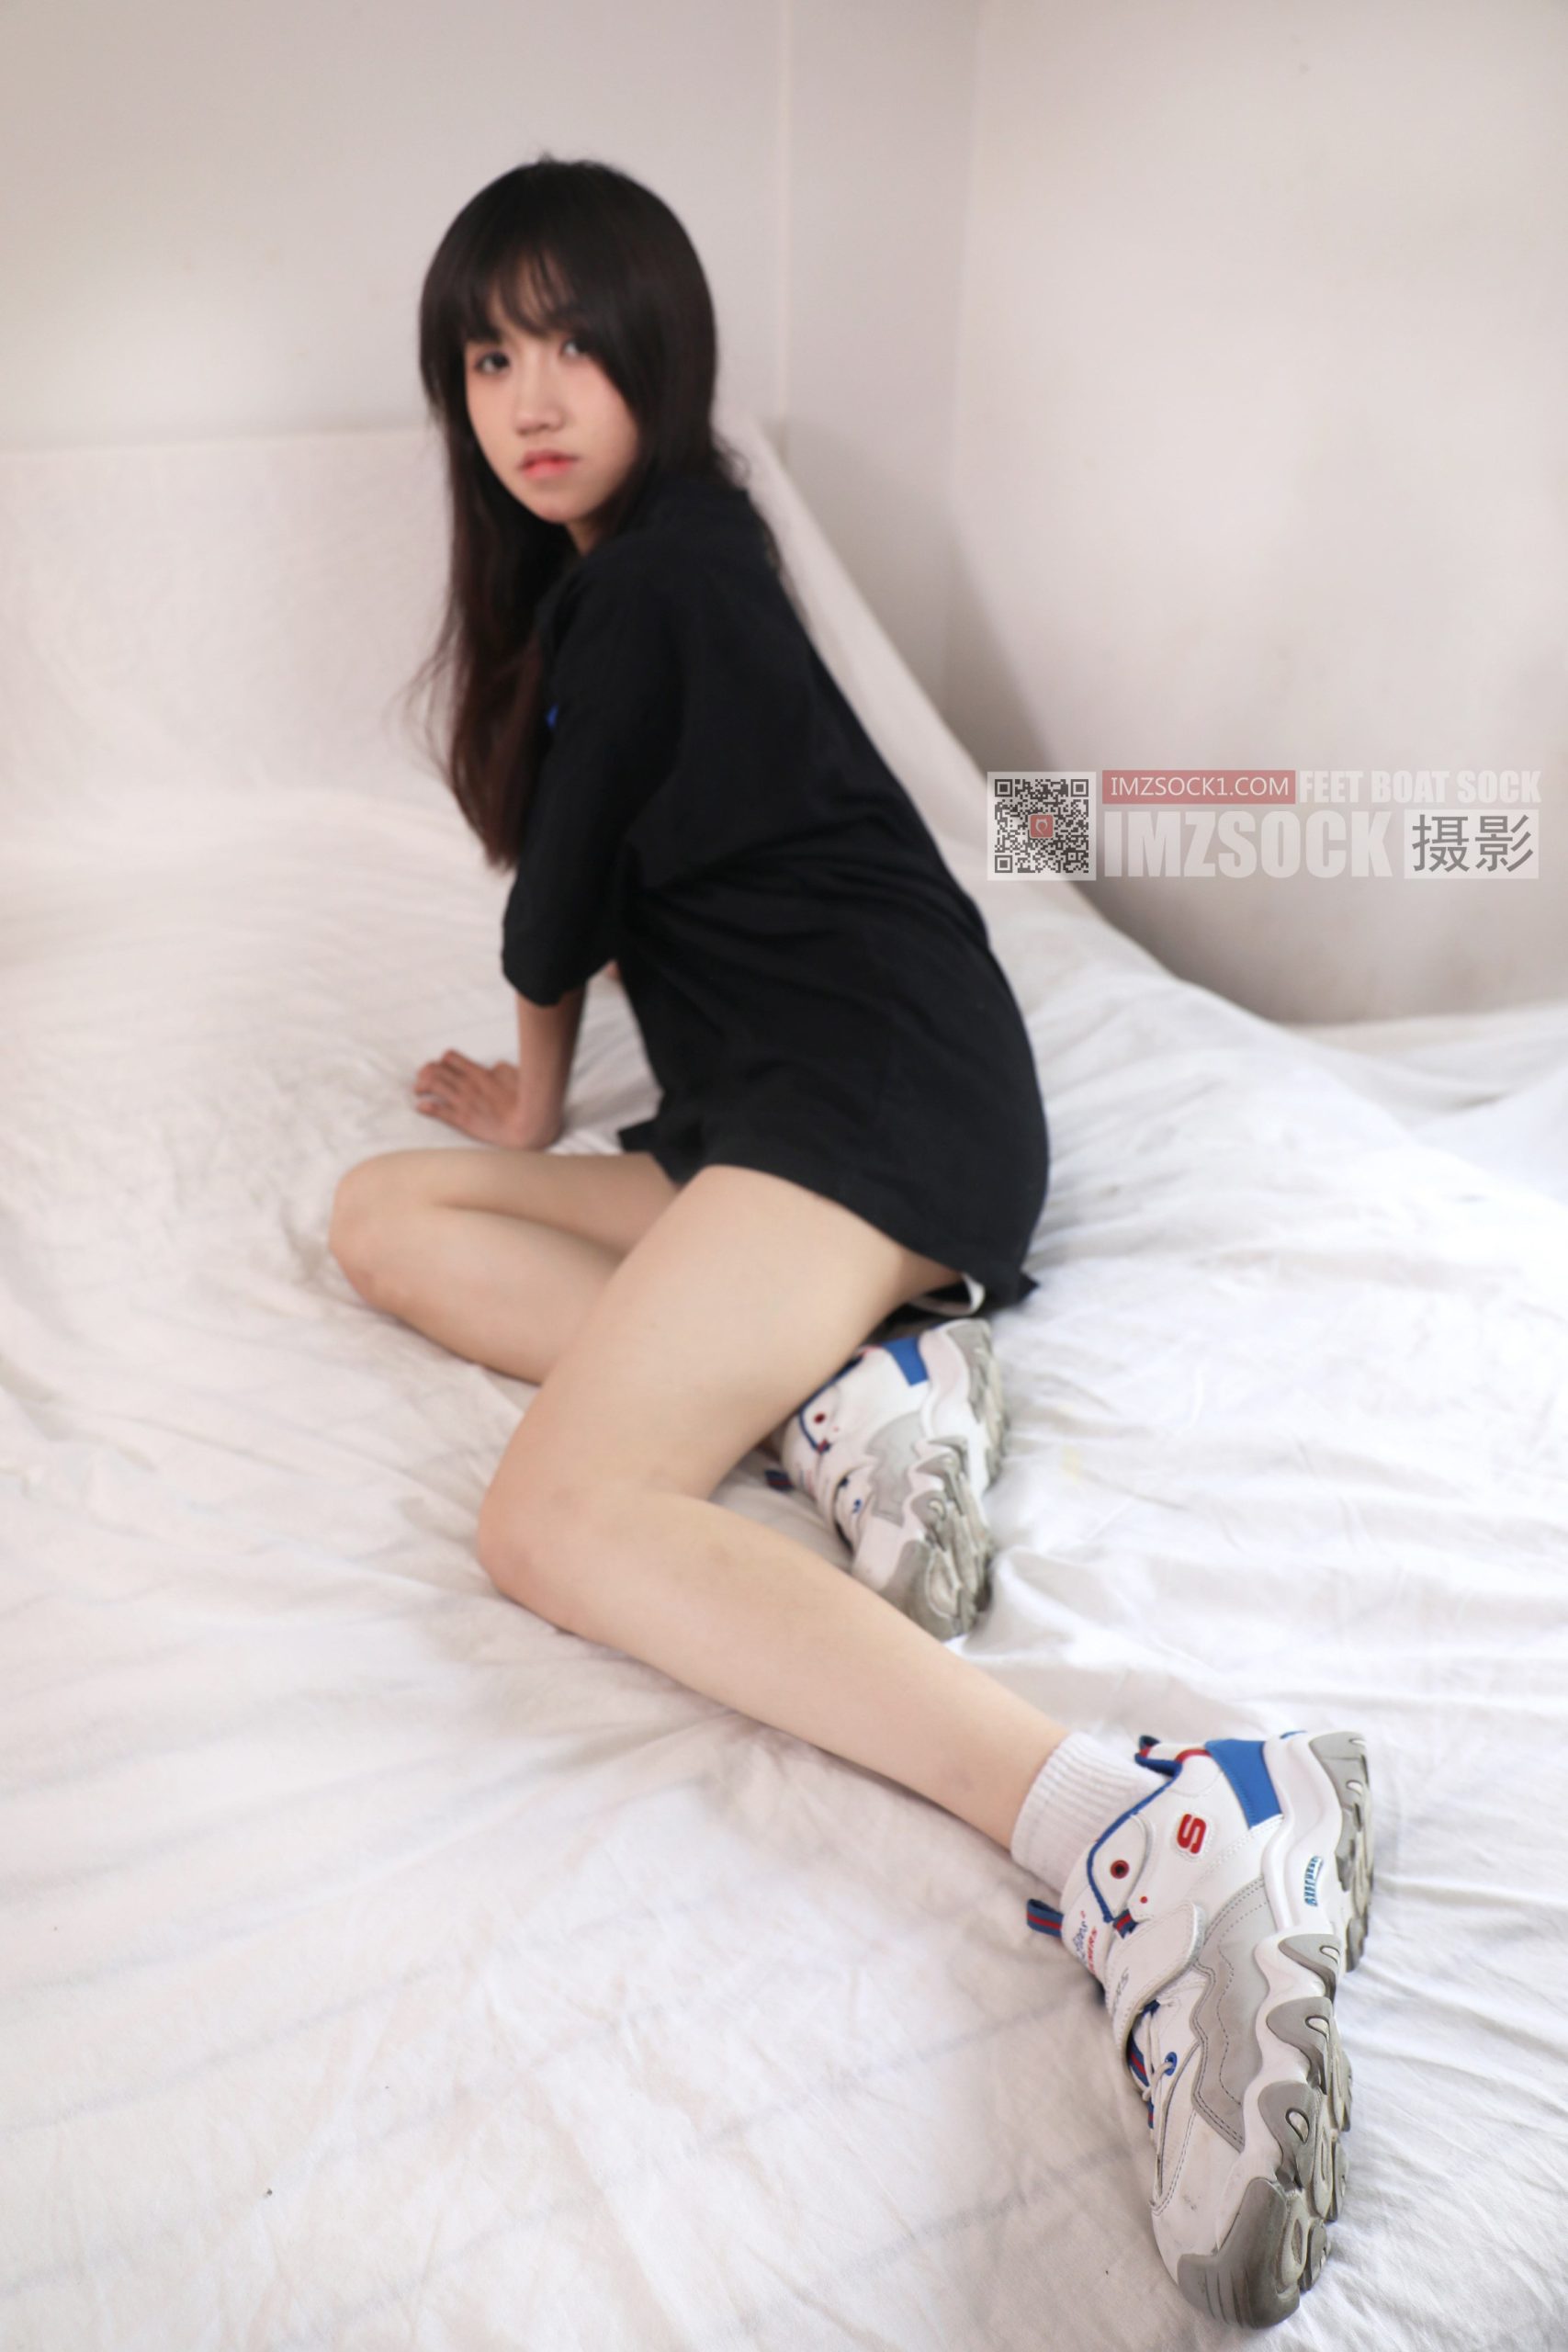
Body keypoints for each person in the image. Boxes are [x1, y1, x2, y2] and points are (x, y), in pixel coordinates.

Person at [328, 155, 1375, 2328]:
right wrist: (536, 1124)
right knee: (381, 1212)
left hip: (870, 1100)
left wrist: (530, 1087)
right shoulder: (661, 558)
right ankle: (857, 1375)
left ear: (661, 350)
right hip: (776, 1113)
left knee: (554, 1515)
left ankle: (1148, 1823)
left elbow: (555, 911)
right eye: (488, 357)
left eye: (573, 342)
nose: (531, 396)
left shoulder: (652, 583)